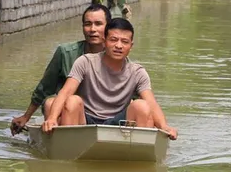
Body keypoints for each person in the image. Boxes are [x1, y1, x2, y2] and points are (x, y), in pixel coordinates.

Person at [42, 17, 178, 140]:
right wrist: (52, 118)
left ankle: (139, 154)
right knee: (72, 100)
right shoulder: (85, 62)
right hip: (86, 120)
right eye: (113, 40)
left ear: (131, 46)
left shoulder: (138, 72)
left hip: (119, 122)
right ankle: (68, 150)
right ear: (104, 41)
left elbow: (151, 103)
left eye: (124, 42)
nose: (118, 46)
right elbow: (66, 92)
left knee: (141, 105)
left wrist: (164, 126)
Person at [10, 4, 111, 135]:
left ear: (108, 27)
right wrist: (26, 117)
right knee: (50, 103)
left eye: (98, 24)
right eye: (87, 24)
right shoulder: (65, 52)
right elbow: (44, 87)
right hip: (67, 110)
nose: (92, 29)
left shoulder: (116, 55)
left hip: (100, 114)